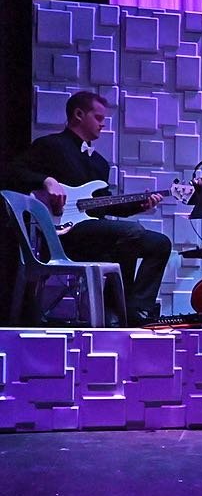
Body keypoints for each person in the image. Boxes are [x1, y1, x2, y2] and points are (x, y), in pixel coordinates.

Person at [4, 91, 170, 326]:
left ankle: (135, 309)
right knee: (131, 232)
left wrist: (139, 206)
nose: (103, 124)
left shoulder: (99, 163)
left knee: (160, 243)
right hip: (60, 235)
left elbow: (101, 207)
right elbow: (11, 173)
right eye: (99, 118)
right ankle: (115, 309)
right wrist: (46, 181)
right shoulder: (50, 146)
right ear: (79, 114)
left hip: (91, 232)